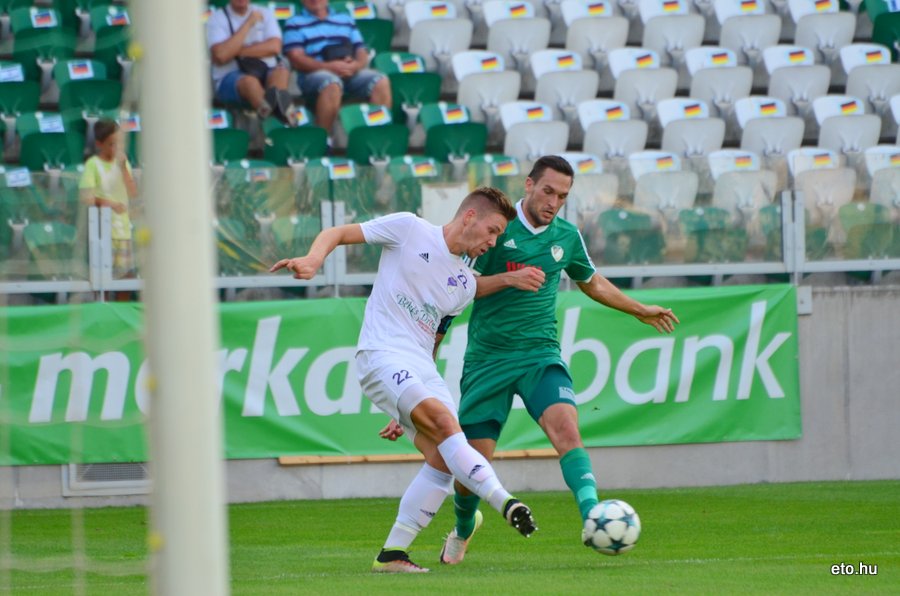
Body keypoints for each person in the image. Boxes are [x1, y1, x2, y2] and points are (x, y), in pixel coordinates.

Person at [381, 156, 680, 564]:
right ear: (529, 185)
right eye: (548, 191)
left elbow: (592, 281)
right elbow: (455, 292)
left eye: (563, 196)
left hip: (540, 353)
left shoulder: (566, 237)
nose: (554, 201)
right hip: (488, 361)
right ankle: (465, 527)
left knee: (566, 430)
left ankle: (592, 512)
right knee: (471, 466)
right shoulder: (495, 230)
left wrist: (638, 308)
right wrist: (508, 279)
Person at [270, 188, 536, 574]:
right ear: (469, 217)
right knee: (448, 427)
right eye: (492, 231)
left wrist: (408, 404)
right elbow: (340, 233)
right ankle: (505, 502)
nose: (493, 242)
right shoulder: (409, 229)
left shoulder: (463, 285)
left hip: (418, 367)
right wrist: (313, 259)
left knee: (443, 459)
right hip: (380, 353)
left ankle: (392, 554)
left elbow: (435, 337)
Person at [282, 0, 391, 136]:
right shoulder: (294, 22)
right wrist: (327, 67)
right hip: (313, 74)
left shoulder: (345, 19)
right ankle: (323, 140)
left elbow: (361, 50)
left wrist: (355, 65)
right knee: (332, 82)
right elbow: (296, 58)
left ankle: (377, 137)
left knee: (380, 80)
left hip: (348, 71)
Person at [207, 0, 294, 124]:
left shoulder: (265, 13)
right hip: (230, 76)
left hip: (265, 69)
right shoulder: (217, 19)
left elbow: (275, 47)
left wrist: (234, 50)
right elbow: (221, 56)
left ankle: (269, 109)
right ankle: (279, 122)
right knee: (250, 82)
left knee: (281, 72)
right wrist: (248, 23)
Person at [79, 119, 139, 279]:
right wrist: (109, 204)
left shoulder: (124, 164)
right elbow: (86, 197)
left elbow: (133, 193)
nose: (116, 148)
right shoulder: (93, 165)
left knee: (126, 276)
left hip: (124, 231)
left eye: (119, 143)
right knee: (100, 277)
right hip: (101, 232)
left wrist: (124, 170)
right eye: (112, 144)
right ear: (99, 144)